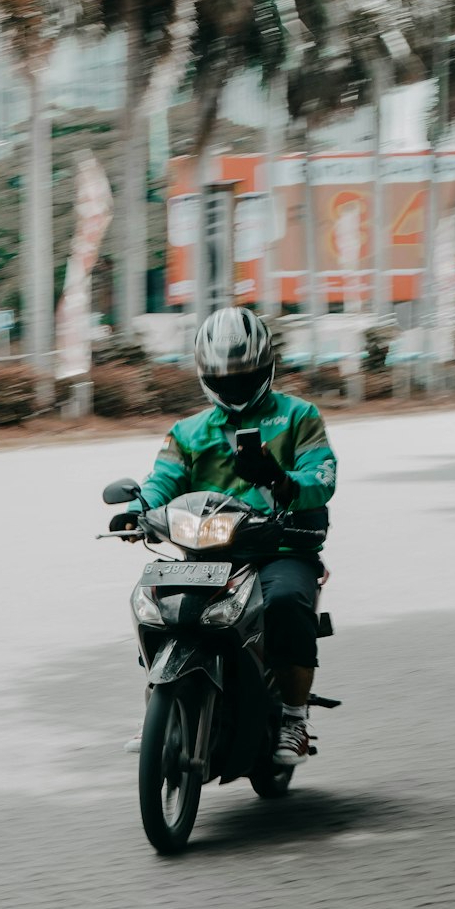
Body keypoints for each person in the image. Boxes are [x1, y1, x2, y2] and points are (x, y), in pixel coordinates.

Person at [110, 307, 337, 765]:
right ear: (205, 375)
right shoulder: (188, 432)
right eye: (223, 377)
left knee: (286, 603)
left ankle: (294, 720)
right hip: (205, 552)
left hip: (279, 547)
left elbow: (323, 475)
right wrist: (138, 510)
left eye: (244, 375)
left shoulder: (299, 416)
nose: (233, 385)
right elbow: (162, 481)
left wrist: (283, 480)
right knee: (153, 602)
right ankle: (159, 699)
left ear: (266, 367)